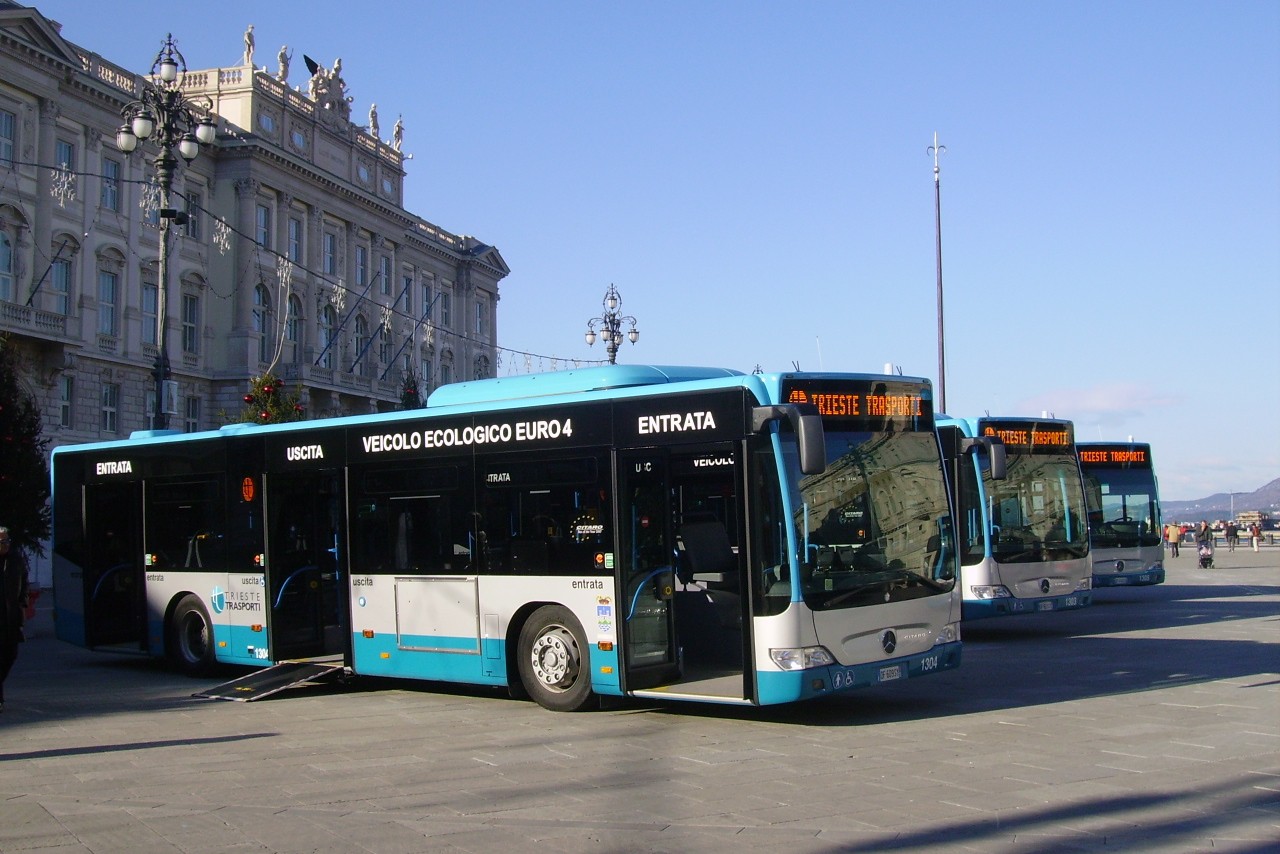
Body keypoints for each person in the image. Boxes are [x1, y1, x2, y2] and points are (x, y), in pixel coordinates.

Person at [0, 525, 29, 712]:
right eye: (2, 541)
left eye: (7, 540)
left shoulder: (15, 560)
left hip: (10, 617)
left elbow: (24, 583)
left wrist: (22, 604)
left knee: (11, 655)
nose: (6, 544)